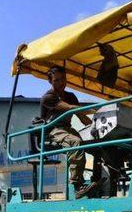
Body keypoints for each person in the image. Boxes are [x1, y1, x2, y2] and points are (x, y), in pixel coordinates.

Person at [40, 66, 98, 199]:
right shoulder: (48, 97)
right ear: (50, 81)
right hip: (53, 130)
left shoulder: (71, 96)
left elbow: (82, 117)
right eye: (57, 80)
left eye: (63, 79)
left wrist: (94, 125)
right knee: (75, 142)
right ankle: (77, 186)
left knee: (94, 143)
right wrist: (92, 109)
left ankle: (96, 177)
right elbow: (70, 108)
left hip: (68, 129)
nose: (61, 83)